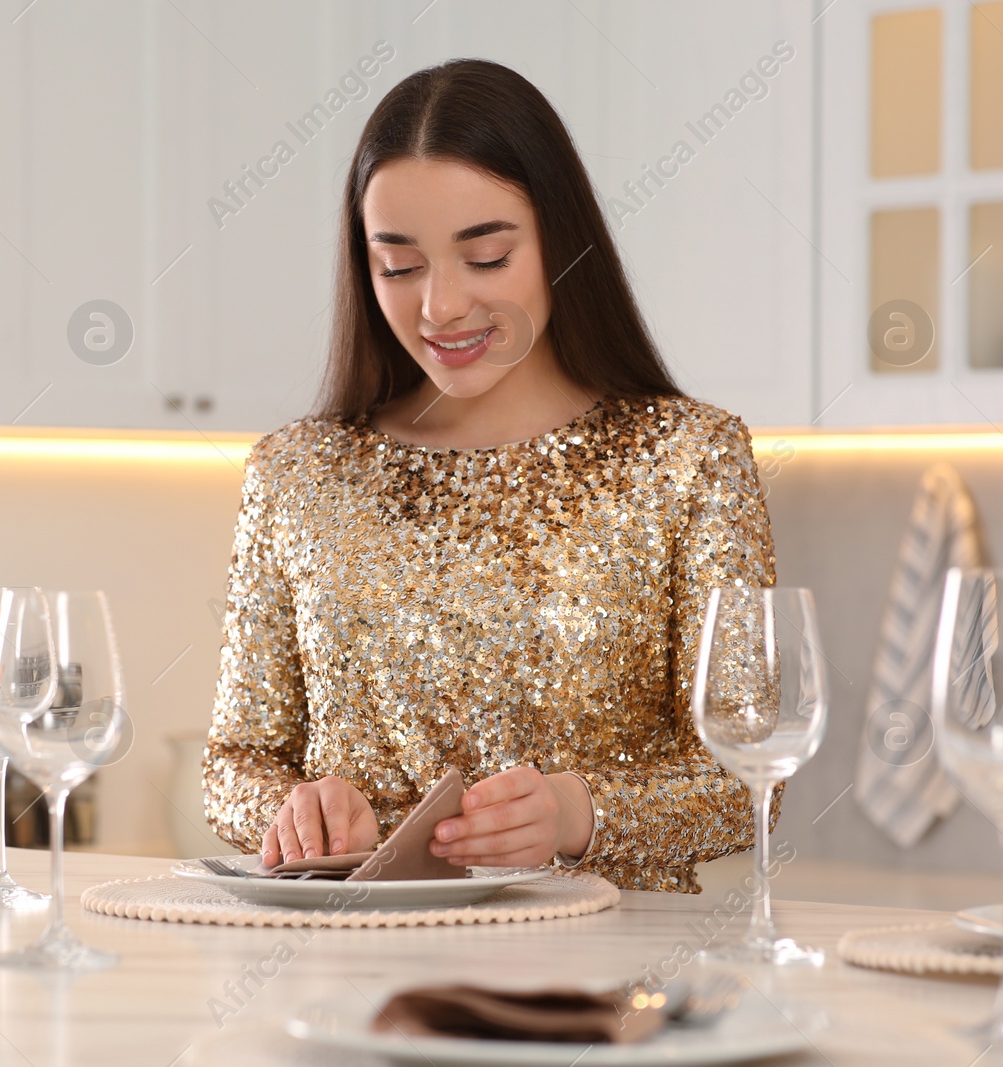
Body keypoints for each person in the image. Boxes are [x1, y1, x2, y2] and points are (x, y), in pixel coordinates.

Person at [201, 58, 775, 893]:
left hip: (605, 973)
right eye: (398, 267)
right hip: (356, 962)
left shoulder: (690, 458)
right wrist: (293, 810)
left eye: (487, 256)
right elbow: (234, 760)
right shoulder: (296, 473)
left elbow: (750, 773)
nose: (440, 307)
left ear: (560, 241)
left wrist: (577, 812)